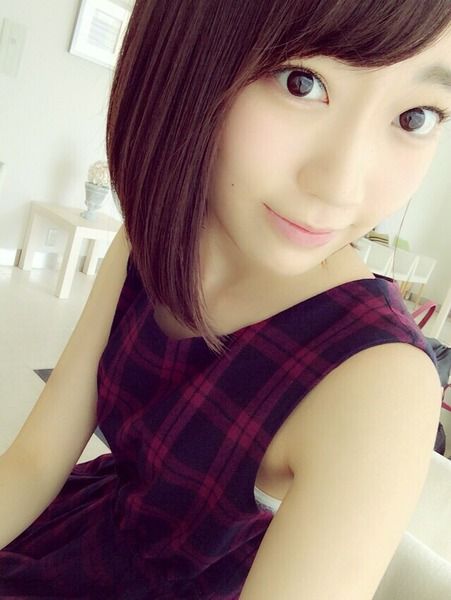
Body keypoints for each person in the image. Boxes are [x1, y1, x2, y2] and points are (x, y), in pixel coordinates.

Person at [1, 1, 451, 598]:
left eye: (415, 117)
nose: (342, 187)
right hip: (71, 537)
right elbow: (35, 461)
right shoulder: (155, 237)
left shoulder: (380, 382)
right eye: (302, 82)